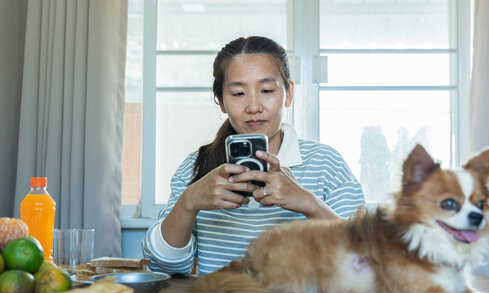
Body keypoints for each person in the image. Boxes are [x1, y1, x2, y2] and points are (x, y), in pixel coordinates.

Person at [142, 36, 365, 275]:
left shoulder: (325, 163)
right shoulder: (196, 167)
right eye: (238, 93)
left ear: (289, 93)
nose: (253, 107)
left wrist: (308, 204)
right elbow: (162, 266)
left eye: (267, 90)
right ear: (221, 102)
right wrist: (188, 203)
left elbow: (366, 258)